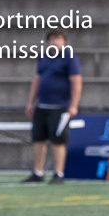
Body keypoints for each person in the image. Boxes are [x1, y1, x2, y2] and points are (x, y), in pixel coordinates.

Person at [23, 30, 82, 184]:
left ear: (64, 41)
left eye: (58, 39)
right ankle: (38, 172)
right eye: (52, 39)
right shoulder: (44, 57)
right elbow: (37, 79)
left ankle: (59, 173)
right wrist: (31, 102)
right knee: (39, 139)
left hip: (60, 106)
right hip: (42, 105)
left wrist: (74, 105)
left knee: (58, 140)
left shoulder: (69, 58)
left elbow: (76, 81)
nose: (54, 42)